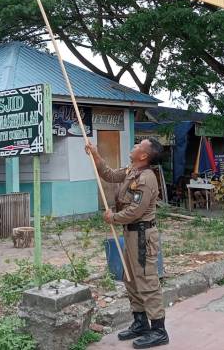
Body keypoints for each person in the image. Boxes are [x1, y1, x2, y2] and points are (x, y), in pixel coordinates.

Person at [85, 138, 168, 349]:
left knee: (147, 281)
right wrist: (95, 155)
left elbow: (136, 211)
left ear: (144, 156)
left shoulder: (147, 178)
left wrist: (113, 217)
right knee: (130, 279)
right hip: (130, 235)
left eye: (140, 145)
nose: (135, 145)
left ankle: (158, 330)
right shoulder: (132, 170)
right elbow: (110, 175)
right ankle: (140, 322)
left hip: (142, 235)